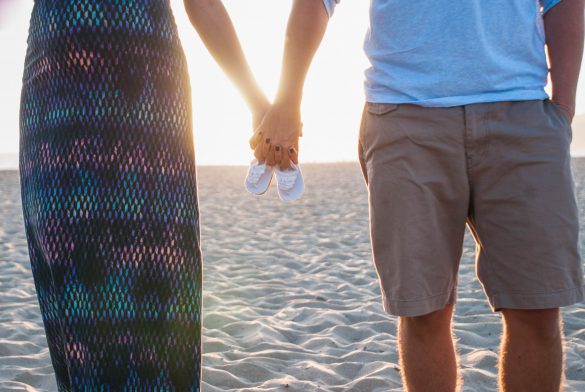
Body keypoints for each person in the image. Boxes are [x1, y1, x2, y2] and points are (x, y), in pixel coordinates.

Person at [252, 0, 585, 390]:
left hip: (522, 114)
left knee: (537, 305)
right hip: (403, 116)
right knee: (423, 310)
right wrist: (287, 99)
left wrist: (563, 106)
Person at [19, 0, 267, 389]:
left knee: (159, 276)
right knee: (74, 280)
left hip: (146, 96)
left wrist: (255, 100)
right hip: (56, 99)